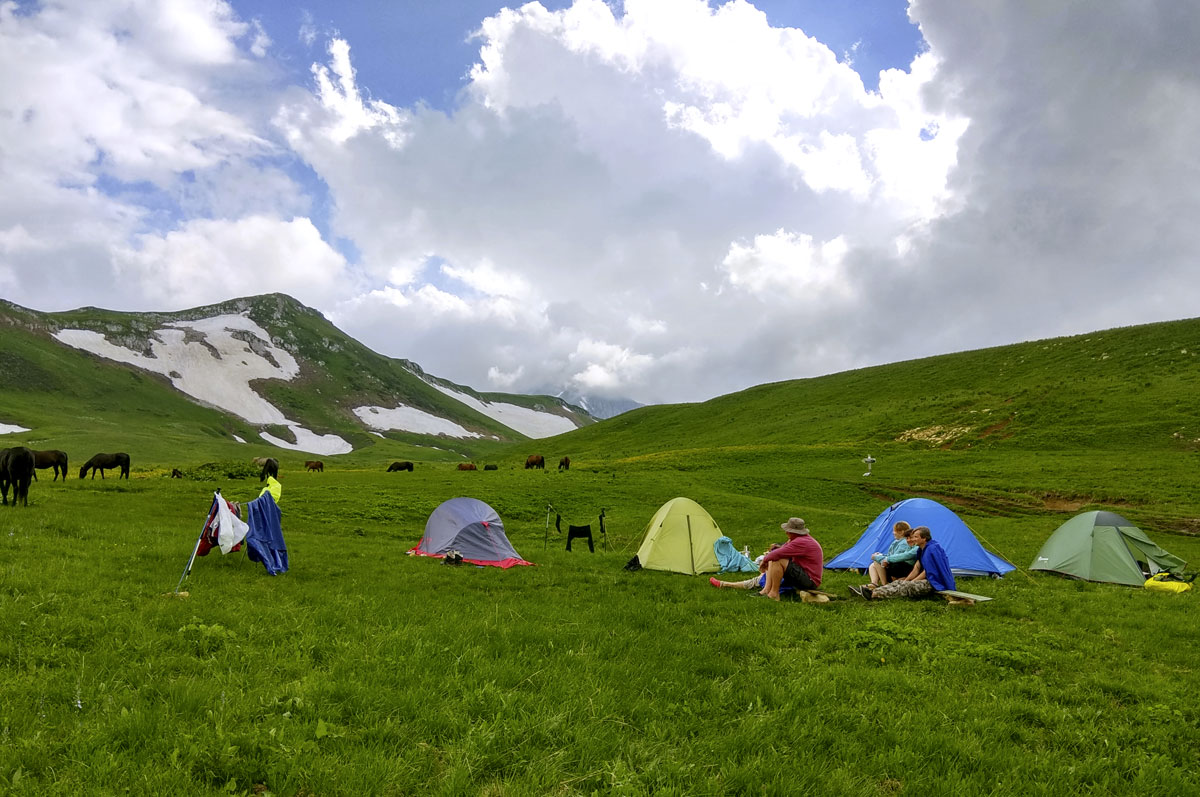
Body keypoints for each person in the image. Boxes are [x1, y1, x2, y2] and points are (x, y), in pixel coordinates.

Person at [709, 517, 824, 601]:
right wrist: (770, 556)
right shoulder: (799, 540)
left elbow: (778, 554)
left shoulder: (801, 542)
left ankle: (773, 593)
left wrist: (764, 561)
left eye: (787, 530)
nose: (786, 532)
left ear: (791, 531)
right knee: (774, 557)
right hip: (803, 575)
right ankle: (766, 590)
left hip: (809, 581)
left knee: (776, 559)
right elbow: (781, 550)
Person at [851, 526, 955, 600]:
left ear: (924, 538)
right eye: (912, 536)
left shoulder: (932, 549)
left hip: (935, 583)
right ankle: (871, 591)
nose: (913, 539)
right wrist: (907, 580)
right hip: (927, 579)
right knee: (899, 582)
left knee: (907, 587)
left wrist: (912, 582)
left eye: (916, 537)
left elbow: (928, 571)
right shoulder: (922, 549)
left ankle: (873, 594)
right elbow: (917, 568)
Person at [867, 521, 919, 587]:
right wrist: (881, 556)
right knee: (873, 565)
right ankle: (874, 583)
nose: (893, 533)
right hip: (899, 564)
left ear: (901, 532)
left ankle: (884, 584)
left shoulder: (905, 543)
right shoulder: (898, 542)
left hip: (904, 566)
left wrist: (881, 558)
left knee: (877, 562)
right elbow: (893, 555)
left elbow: (902, 556)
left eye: (894, 531)